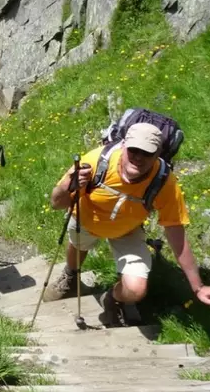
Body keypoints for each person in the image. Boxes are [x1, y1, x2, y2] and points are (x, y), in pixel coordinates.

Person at [45, 123, 210, 325]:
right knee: (78, 244)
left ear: (158, 153)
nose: (138, 157)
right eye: (133, 150)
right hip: (86, 219)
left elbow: (175, 230)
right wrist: (66, 185)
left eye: (146, 153)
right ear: (123, 145)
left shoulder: (164, 181)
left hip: (127, 229)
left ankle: (112, 298)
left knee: (136, 289)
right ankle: (70, 278)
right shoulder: (95, 162)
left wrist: (198, 287)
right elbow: (56, 203)